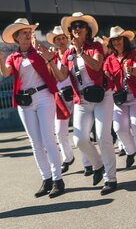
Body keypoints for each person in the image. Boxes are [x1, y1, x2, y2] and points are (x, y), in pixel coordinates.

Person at [42, 12, 117, 195]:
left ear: (87, 30)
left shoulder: (95, 46)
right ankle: (97, 164)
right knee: (80, 140)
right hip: (81, 99)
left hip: (102, 97)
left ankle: (111, 178)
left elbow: (97, 66)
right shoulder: (67, 54)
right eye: (73, 26)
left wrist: (81, 52)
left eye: (80, 26)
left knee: (102, 137)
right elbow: (60, 76)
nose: (76, 29)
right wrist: (51, 60)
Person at [0, 19, 65, 198]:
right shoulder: (13, 57)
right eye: (24, 33)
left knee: (48, 139)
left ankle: (58, 179)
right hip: (25, 101)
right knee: (35, 143)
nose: (28, 35)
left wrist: (46, 55)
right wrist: (0, 59)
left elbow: (52, 66)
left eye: (30, 32)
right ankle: (46, 179)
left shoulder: (40, 52)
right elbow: (6, 73)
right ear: (16, 38)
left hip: (44, 96)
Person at [103, 26, 136, 173]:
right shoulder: (110, 59)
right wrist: (107, 75)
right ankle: (131, 151)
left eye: (119, 39)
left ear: (124, 40)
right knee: (119, 128)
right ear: (111, 43)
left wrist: (129, 70)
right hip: (120, 98)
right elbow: (105, 73)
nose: (117, 42)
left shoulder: (134, 54)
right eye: (114, 40)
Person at [46, 26, 92, 175]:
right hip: (59, 97)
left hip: (75, 93)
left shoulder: (72, 52)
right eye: (58, 39)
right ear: (54, 42)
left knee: (81, 131)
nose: (61, 41)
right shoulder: (51, 57)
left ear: (67, 39)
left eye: (63, 38)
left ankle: (88, 163)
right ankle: (68, 158)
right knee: (59, 131)